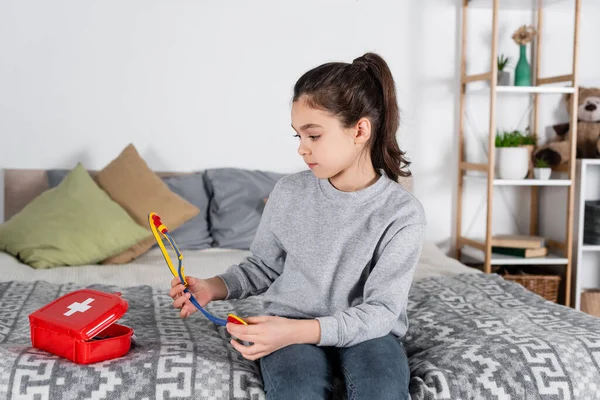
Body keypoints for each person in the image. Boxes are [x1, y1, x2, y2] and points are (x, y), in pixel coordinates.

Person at [169, 52, 426, 400]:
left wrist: (302, 332)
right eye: (298, 137)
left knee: (381, 390)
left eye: (314, 135)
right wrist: (212, 287)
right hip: (286, 324)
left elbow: (381, 312)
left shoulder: (402, 212)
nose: (302, 150)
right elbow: (261, 266)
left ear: (360, 130)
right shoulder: (289, 192)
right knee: (296, 392)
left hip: (369, 334)